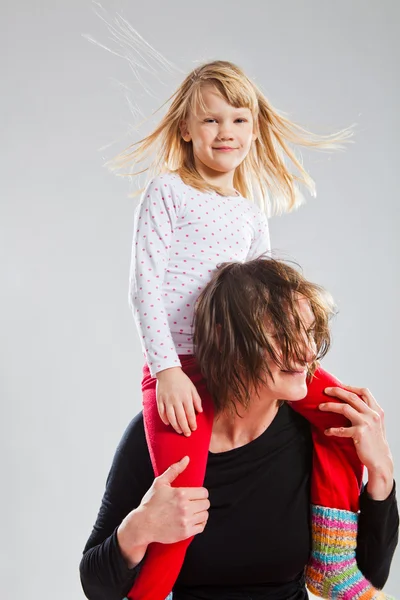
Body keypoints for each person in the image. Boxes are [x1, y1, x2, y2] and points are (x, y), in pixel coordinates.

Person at [107, 59, 392, 598]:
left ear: (254, 129)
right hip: (184, 370)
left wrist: (380, 476)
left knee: (345, 414)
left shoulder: (248, 211)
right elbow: (144, 288)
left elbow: (269, 296)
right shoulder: (167, 192)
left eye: (239, 120)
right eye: (211, 120)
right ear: (186, 129)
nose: (226, 133)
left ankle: (333, 561)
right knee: (180, 506)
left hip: (249, 358)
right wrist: (167, 370)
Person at [80, 258, 398, 599]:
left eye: (308, 331)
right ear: (224, 338)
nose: (307, 352)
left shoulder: (314, 435)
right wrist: (139, 527)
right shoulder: (160, 436)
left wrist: (381, 473)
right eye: (281, 334)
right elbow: (96, 586)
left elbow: (367, 578)